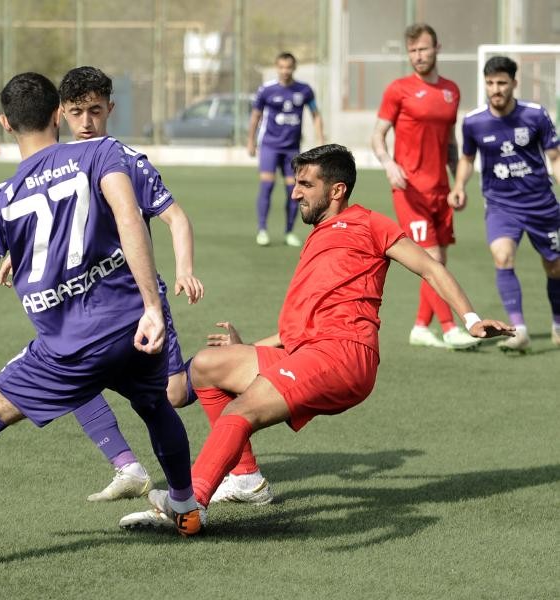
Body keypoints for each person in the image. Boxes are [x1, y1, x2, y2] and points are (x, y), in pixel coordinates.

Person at [0, 72, 202, 572]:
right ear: (59, 113)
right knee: (154, 404)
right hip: (131, 328)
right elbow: (127, 218)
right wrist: (151, 306)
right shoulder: (100, 153)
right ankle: (185, 509)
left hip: (69, 348)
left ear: (4, 123)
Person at [118, 144, 513, 531]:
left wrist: (471, 319)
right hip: (308, 351)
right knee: (208, 366)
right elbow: (301, 327)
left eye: (306, 184)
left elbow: (430, 267)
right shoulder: (318, 236)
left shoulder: (371, 224)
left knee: (242, 411)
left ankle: (189, 507)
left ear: (337, 190)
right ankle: (246, 480)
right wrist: (251, 347)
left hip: (344, 355)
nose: (295, 193)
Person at [0, 66, 215, 502]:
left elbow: (176, 218)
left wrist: (184, 269)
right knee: (70, 368)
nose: (86, 122)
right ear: (60, 113)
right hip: (80, 302)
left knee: (172, 394)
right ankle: (127, 465)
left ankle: (222, 374)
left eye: (95, 111)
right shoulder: (57, 164)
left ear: (110, 109)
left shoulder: (124, 160)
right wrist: (18, 253)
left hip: (133, 302)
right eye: (77, 112)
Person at [371, 24, 480, 351]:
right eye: (413, 51)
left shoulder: (451, 91)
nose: (418, 56)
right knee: (432, 260)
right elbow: (377, 135)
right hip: (410, 191)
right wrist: (389, 164)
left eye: (423, 49)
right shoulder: (398, 89)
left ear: (437, 48)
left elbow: (450, 142)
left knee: (439, 259)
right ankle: (449, 328)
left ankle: (420, 326)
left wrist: (457, 183)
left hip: (440, 191)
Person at [448, 56, 560, 351]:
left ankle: (558, 323)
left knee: (554, 267)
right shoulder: (473, 121)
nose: (495, 89)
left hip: (541, 204)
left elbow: (555, 157)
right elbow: (467, 159)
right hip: (501, 205)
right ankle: (519, 330)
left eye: (501, 83)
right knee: (502, 257)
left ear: (514, 83)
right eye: (490, 83)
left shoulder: (535, 115)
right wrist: (459, 186)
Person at [247, 52, 324, 247]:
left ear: (294, 68)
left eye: (288, 67)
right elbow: (255, 116)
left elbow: (315, 114)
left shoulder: (304, 90)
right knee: (267, 185)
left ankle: (289, 232)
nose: (285, 71)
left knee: (294, 190)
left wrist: (320, 140)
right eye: (281, 67)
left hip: (292, 149)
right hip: (270, 146)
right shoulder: (267, 90)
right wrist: (250, 141)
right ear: (276, 67)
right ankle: (262, 230)